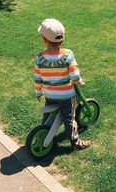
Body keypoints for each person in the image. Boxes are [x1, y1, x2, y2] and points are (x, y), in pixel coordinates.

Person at [33, 18, 91, 150]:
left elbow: (37, 78)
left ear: (44, 40)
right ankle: (75, 141)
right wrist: (79, 81)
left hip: (50, 95)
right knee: (69, 118)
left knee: (49, 113)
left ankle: (45, 130)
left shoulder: (39, 58)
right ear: (62, 39)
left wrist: (38, 92)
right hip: (66, 96)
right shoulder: (67, 55)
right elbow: (74, 75)